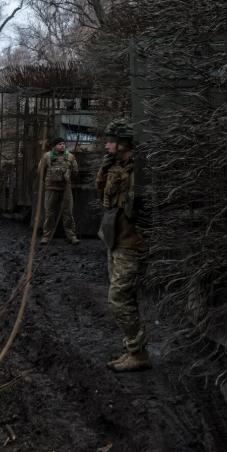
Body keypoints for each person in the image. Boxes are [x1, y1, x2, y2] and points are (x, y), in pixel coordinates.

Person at [96, 120, 151, 372]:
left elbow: (143, 210)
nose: (106, 145)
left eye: (110, 141)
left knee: (118, 299)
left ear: (123, 143)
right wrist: (104, 172)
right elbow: (105, 198)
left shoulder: (140, 172)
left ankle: (138, 354)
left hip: (131, 243)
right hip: (116, 241)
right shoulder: (116, 167)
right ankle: (133, 349)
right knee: (124, 298)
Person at [38, 136, 80, 245]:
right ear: (54, 146)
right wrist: (48, 182)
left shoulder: (70, 156)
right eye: (60, 144)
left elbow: (75, 171)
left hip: (65, 189)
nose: (63, 146)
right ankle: (47, 236)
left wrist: (69, 177)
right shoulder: (47, 156)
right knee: (49, 213)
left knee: (68, 213)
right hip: (51, 189)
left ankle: (71, 236)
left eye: (63, 144)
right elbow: (41, 171)